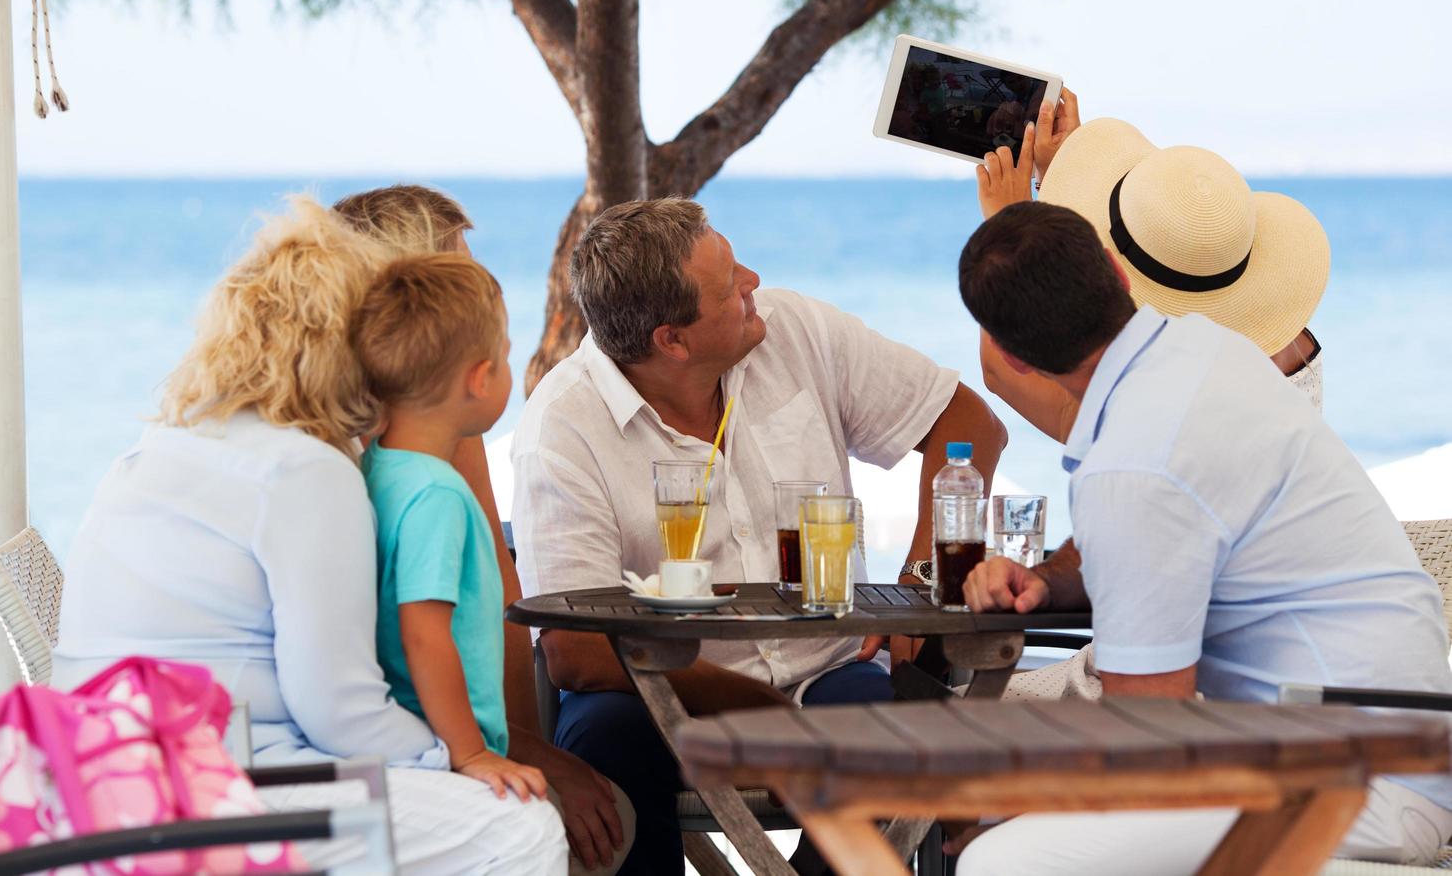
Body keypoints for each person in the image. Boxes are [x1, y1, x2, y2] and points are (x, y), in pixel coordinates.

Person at [52, 199, 567, 874]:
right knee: (518, 830)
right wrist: (455, 758)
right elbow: (341, 710)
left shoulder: (183, 435)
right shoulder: (303, 471)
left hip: (106, 767)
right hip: (208, 780)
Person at [953, 200, 1452, 872]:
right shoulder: (1205, 350)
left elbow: (1148, 734)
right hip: (1388, 749)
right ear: (1117, 273)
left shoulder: (1135, 463)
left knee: (1002, 860)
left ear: (1011, 358)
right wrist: (1053, 580)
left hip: (1354, 782)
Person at [512, 197, 1008, 872]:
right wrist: (755, 704)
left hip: (829, 671)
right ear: (672, 340)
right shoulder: (564, 425)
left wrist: (916, 582)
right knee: (605, 746)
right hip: (657, 698)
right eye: (728, 286)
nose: (753, 280)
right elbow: (575, 652)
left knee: (883, 744)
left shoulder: (795, 329)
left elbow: (967, 426)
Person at [334, 186, 630, 873]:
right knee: (607, 825)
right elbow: (427, 629)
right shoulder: (414, 473)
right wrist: (487, 752)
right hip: (417, 756)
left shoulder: (393, 451)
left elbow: (491, 596)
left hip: (427, 744)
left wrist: (528, 746)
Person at [973, 105, 1328, 441]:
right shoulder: (1289, 342)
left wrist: (1010, 225)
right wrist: (1055, 179)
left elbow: (1003, 371)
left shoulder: (1161, 387)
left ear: (1117, 272)